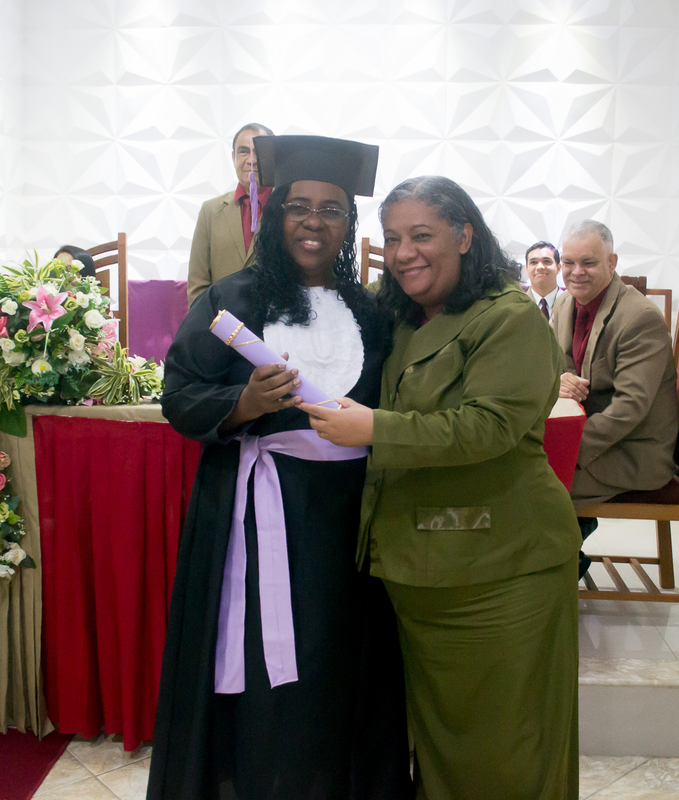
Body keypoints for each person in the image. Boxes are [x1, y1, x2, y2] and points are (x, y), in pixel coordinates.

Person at [148, 135, 412, 800]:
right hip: (252, 516)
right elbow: (179, 395)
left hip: (345, 523)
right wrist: (244, 404)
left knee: (335, 666)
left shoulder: (372, 312)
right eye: (299, 206)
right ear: (275, 214)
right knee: (263, 678)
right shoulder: (230, 301)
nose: (313, 222)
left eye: (331, 209)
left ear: (348, 223)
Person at [301, 176, 582, 799]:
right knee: (443, 747)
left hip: (500, 569)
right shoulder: (404, 315)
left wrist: (373, 429)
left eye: (422, 235)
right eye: (393, 238)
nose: (404, 253)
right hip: (423, 568)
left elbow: (488, 427)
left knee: (507, 751)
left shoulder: (508, 318)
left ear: (464, 236)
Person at [552, 220, 677, 509]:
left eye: (588, 262)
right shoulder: (564, 303)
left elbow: (630, 406)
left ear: (612, 262)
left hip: (632, 453)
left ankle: (570, 540)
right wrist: (559, 379)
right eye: (568, 262)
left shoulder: (640, 318)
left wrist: (565, 448)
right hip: (589, 437)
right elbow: (551, 364)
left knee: (530, 486)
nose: (576, 272)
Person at [186, 123, 275, 308]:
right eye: (243, 152)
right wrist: (219, 324)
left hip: (275, 323)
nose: (251, 160)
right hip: (222, 323)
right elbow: (198, 287)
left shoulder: (289, 210)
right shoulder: (210, 211)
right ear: (233, 158)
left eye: (259, 152)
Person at [523, 240, 561, 320]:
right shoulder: (517, 304)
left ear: (558, 268)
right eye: (533, 262)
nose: (540, 267)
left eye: (546, 261)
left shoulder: (572, 302)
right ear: (526, 269)